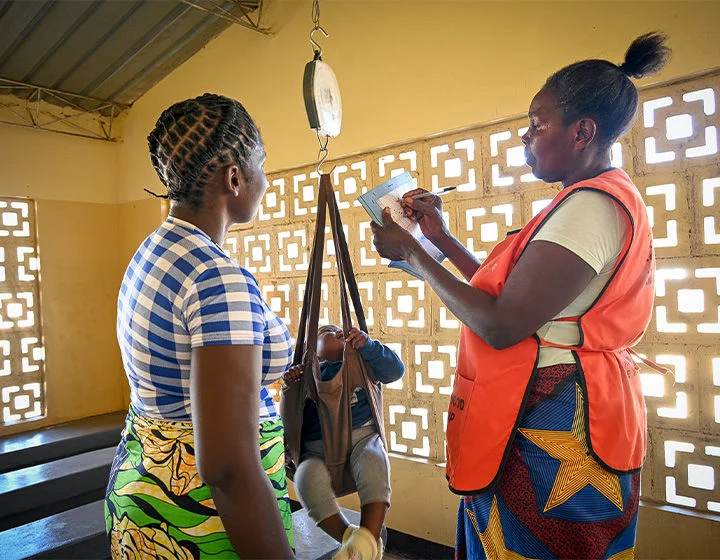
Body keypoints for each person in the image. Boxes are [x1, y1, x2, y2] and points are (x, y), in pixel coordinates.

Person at [371, 32, 670, 559]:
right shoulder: (586, 200)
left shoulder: (590, 208)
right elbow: (506, 293)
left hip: (555, 415)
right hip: (562, 399)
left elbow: (503, 323)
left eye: (537, 125)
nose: (525, 138)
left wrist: (412, 256)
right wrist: (436, 239)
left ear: (582, 131)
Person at [105, 94, 295, 559]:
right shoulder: (216, 279)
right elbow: (229, 467)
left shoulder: (153, 251)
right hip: (201, 523)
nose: (265, 180)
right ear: (235, 177)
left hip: (143, 498)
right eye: (262, 165)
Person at [284, 325, 404, 560]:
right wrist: (291, 383)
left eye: (340, 328)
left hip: (363, 438)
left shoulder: (362, 361)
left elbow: (395, 371)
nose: (338, 331)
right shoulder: (308, 373)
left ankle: (367, 537)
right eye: (327, 331)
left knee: (375, 465)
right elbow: (291, 416)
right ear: (314, 352)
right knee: (305, 478)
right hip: (318, 451)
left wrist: (368, 346)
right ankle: (353, 540)